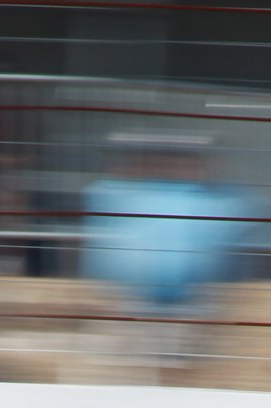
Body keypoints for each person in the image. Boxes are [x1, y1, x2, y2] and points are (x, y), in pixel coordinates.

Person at [80, 137, 254, 380]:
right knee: (131, 367)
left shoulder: (215, 198)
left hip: (182, 295)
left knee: (171, 367)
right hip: (139, 294)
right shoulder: (125, 193)